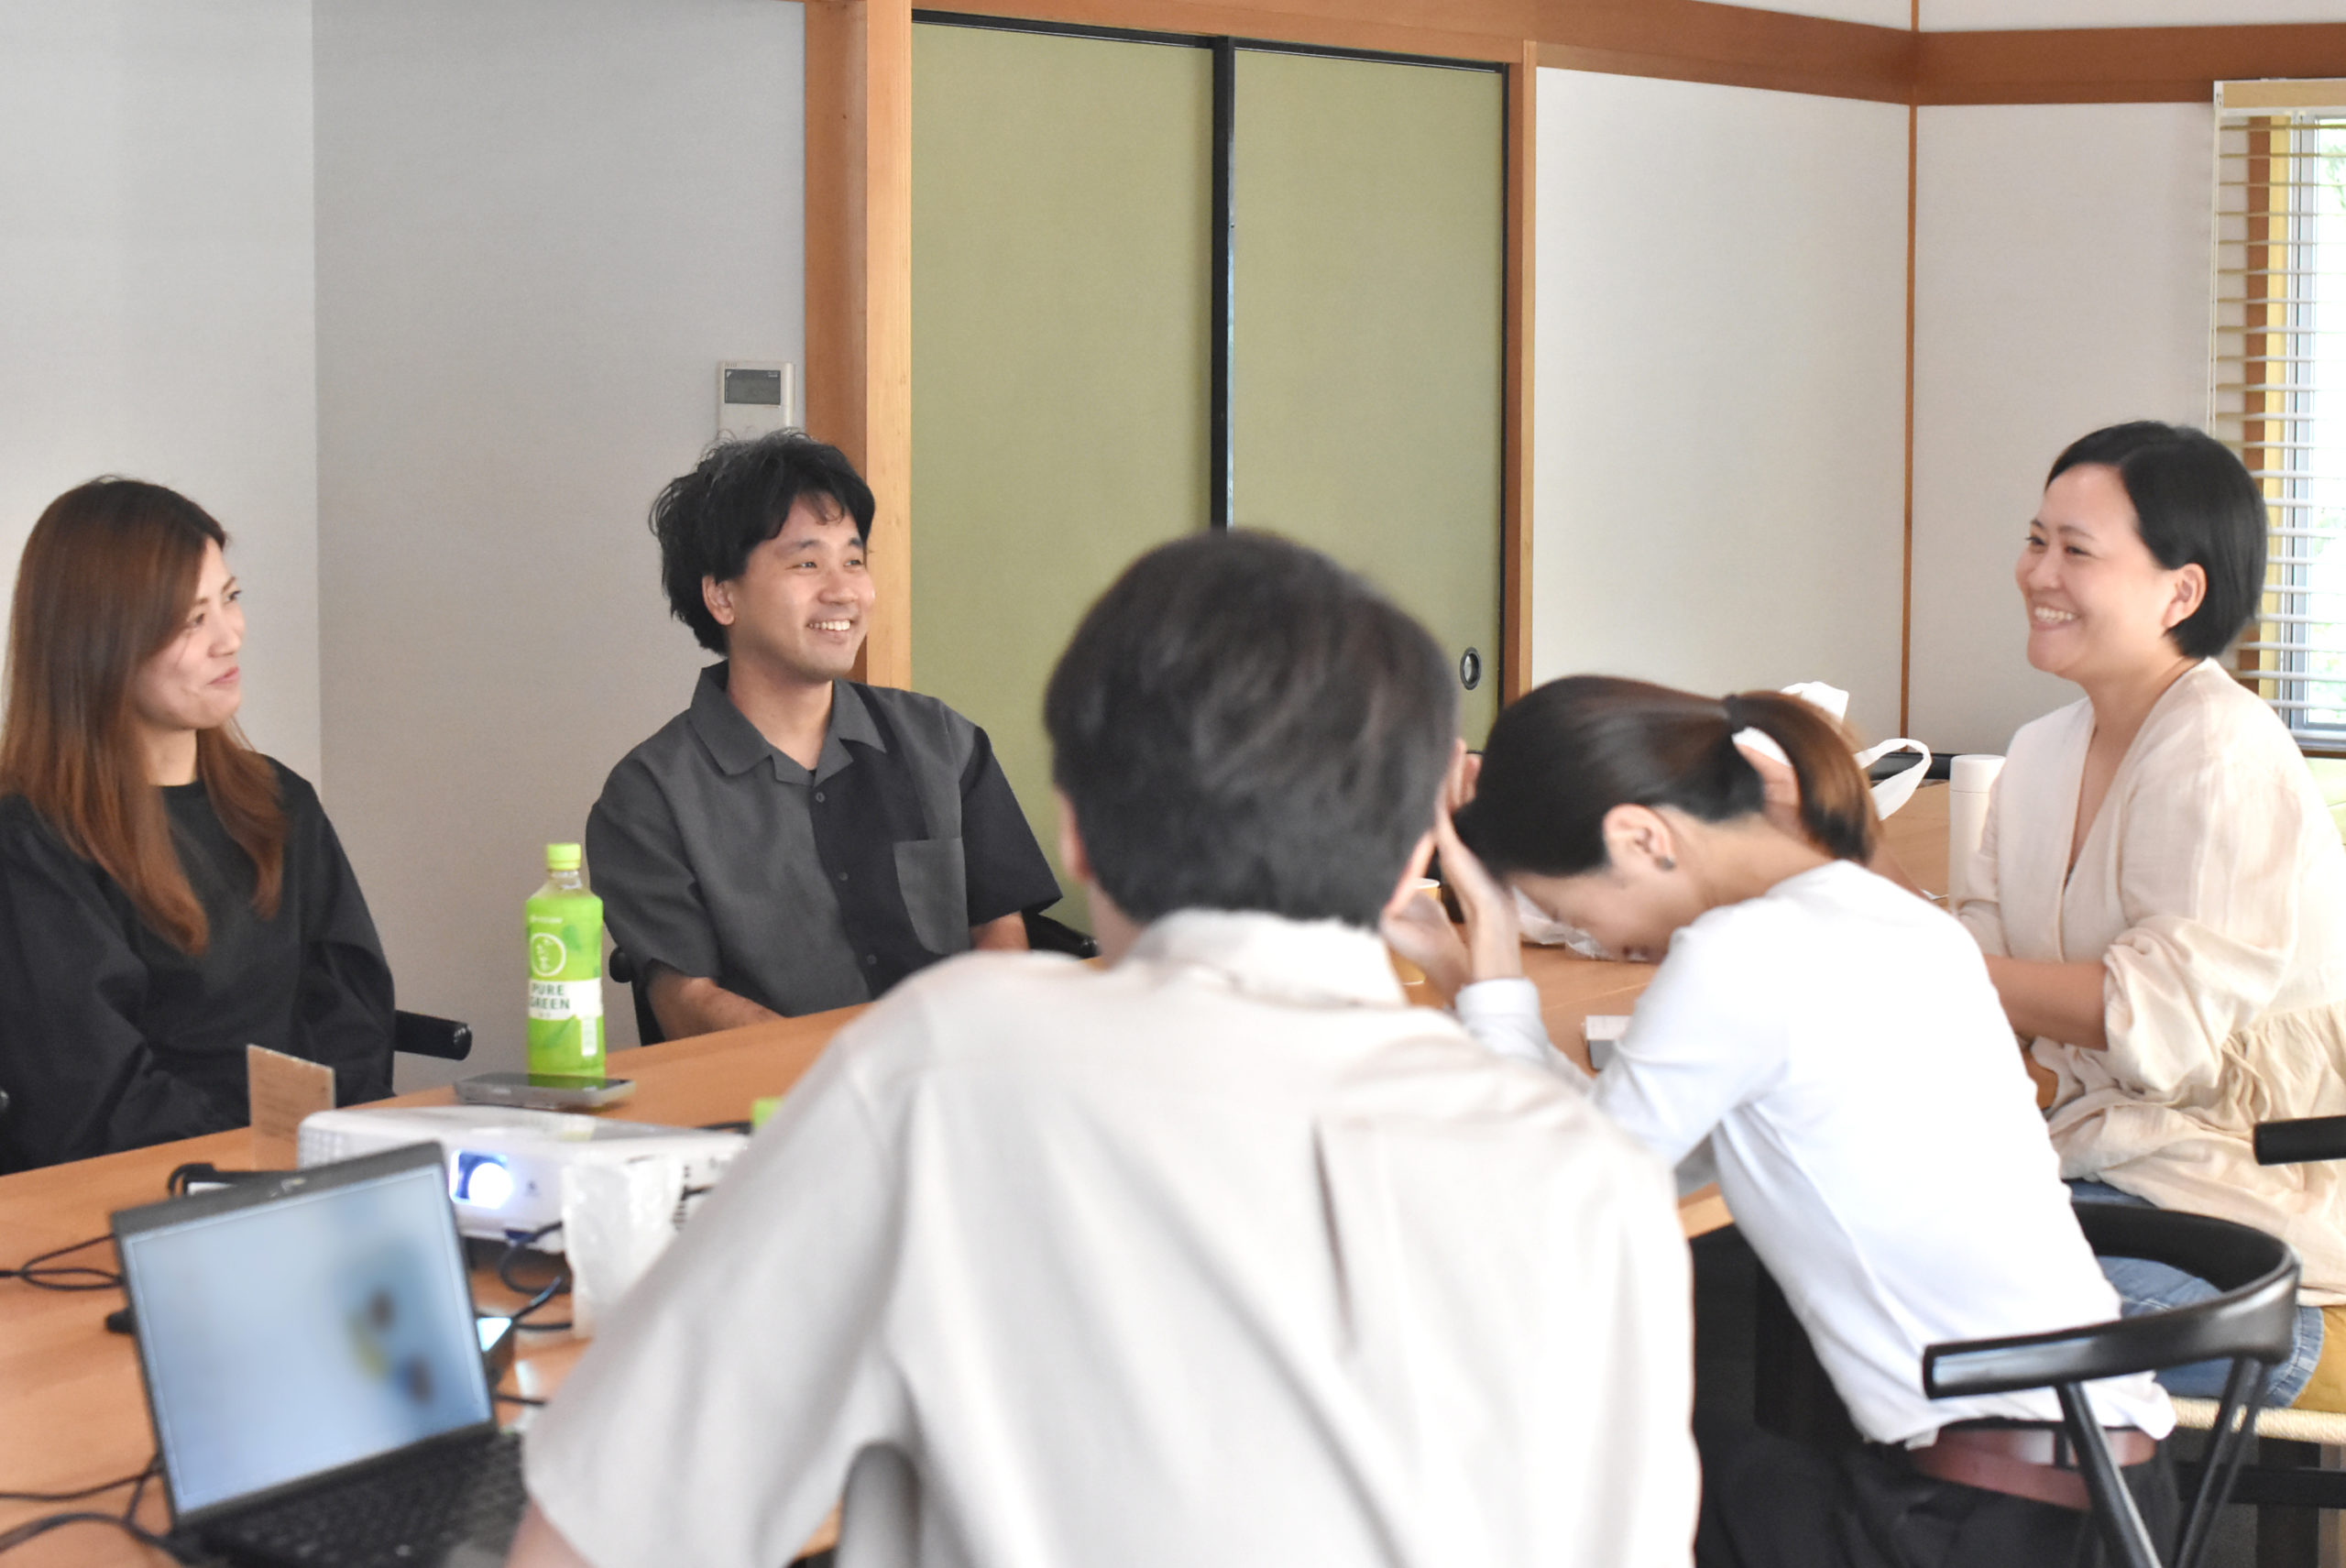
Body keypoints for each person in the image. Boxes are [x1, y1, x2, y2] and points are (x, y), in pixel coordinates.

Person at [510, 533, 1699, 1568]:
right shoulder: (1594, 1174)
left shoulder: (939, 1071)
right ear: (1414, 853)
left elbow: (600, 1534)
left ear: (1073, 829)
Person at [1386, 674, 2172, 1567]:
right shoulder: (1892, 917)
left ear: (1641, 837)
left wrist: (1487, 953)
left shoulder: (1739, 956)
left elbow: (1576, 1194)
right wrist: (1463, 961)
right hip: (2111, 1496)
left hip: (1973, 1525)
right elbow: (1614, 1145)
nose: (1599, 938)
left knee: (1527, 1441)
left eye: (1570, 911)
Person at [1957, 420, 2346, 1409]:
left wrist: (1935, 969)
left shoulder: (2221, 753)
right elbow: (1989, 960)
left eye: (2076, 550)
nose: (2037, 572)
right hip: (2098, 1153)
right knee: (1859, 1236)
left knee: (1957, 1294)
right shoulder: (2039, 750)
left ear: (2181, 592)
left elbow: (2156, 1018)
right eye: (2036, 539)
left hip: (2242, 1189)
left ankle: (2287, 1345)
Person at [586, 432, 1059, 1040]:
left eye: (854, 561)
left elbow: (999, 928)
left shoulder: (942, 740)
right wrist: (836, 1071)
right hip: (773, 1092)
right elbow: (686, 1002)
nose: (843, 591)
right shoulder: (648, 796)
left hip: (952, 1073)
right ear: (722, 596)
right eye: (806, 563)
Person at [0, 479, 393, 1171]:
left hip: (305, 1164)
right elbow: (94, 1097)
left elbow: (352, 1014)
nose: (230, 636)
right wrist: (255, 1154)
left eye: (230, 599)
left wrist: (328, 1141)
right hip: (142, 1186)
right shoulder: (33, 841)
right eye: (190, 619)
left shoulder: (280, 801)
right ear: (98, 643)